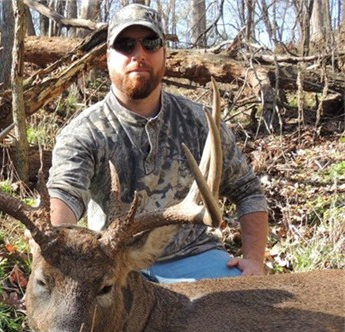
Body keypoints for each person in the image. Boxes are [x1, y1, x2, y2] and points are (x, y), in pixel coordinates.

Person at [46, 4, 268, 283]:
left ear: (165, 53)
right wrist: (55, 255)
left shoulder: (201, 122)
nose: (138, 55)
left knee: (254, 309)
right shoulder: (84, 132)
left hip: (197, 260)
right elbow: (65, 196)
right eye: (126, 45)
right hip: (117, 267)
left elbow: (247, 190)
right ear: (107, 58)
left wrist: (255, 262)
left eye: (150, 43)